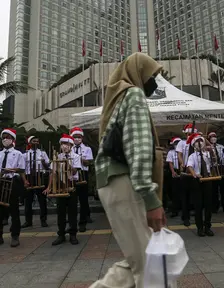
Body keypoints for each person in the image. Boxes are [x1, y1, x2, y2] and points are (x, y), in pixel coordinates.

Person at [91, 53, 166, 288]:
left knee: (138, 260)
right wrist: (151, 198)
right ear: (138, 72)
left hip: (111, 183)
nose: (154, 81)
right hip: (125, 182)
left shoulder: (116, 98)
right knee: (153, 265)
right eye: (152, 75)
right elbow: (139, 148)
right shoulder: (133, 94)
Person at [44, 134, 81, 245]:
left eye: (67, 144)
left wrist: (67, 163)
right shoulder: (57, 157)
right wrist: (49, 187)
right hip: (60, 186)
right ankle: (61, 235)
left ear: (71, 145)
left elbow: (75, 171)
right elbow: (53, 173)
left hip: (71, 185)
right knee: (60, 212)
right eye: (63, 144)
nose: (65, 146)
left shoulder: (75, 157)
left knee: (72, 212)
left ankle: (73, 234)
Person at [0, 128, 25, 247]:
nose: (5, 140)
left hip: (12, 181)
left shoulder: (18, 154)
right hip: (1, 181)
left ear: (13, 140)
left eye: (8, 137)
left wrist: (11, 170)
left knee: (14, 209)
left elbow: (21, 169)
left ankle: (15, 235)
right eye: (3, 137)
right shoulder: (0, 154)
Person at [187, 133, 214, 237]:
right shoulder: (192, 156)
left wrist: (205, 139)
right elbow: (190, 167)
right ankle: (200, 228)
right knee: (198, 205)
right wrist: (195, 174)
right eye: (197, 142)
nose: (199, 143)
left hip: (207, 179)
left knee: (208, 205)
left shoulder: (208, 154)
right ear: (194, 145)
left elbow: (213, 163)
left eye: (201, 141)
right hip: (197, 180)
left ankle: (208, 227)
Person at [22, 135, 50, 228]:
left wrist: (43, 163)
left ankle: (43, 220)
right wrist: (25, 180)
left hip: (40, 176)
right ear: (30, 143)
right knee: (28, 200)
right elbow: (22, 168)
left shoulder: (42, 153)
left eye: (37, 141)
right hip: (29, 176)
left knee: (42, 199)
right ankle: (28, 221)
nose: (36, 143)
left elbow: (48, 167)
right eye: (34, 141)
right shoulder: (25, 154)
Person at [70, 127, 94, 232]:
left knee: (83, 198)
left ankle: (83, 221)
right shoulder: (69, 148)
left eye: (78, 137)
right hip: (72, 173)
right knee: (72, 198)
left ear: (82, 138)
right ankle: (72, 221)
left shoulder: (87, 149)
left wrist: (80, 159)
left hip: (83, 173)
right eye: (75, 137)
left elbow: (88, 162)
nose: (77, 139)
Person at [176, 123, 197, 226]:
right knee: (185, 196)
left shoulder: (196, 143)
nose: (190, 135)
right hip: (185, 171)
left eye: (192, 133)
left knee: (194, 195)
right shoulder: (182, 143)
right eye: (189, 133)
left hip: (194, 171)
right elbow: (179, 154)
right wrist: (182, 163)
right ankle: (185, 216)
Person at [208, 131, 224, 213]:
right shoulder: (207, 147)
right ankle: (214, 207)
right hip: (213, 168)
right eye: (211, 137)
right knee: (214, 190)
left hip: (222, 167)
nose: (213, 138)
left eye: (215, 136)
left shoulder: (221, 147)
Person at [167, 137, 181, 218]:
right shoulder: (171, 152)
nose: (177, 145)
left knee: (184, 191)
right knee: (175, 192)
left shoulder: (182, 152)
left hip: (183, 171)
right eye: (175, 143)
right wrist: (173, 172)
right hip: (175, 171)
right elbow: (170, 163)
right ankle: (174, 210)